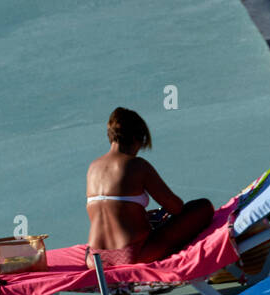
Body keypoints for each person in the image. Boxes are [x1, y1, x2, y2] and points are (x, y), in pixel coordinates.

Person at [85, 107, 214, 267]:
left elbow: (110, 211)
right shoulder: (137, 165)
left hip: (94, 259)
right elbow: (175, 207)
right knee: (202, 207)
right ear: (137, 138)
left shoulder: (93, 168)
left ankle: (120, 290)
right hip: (132, 255)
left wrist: (141, 216)